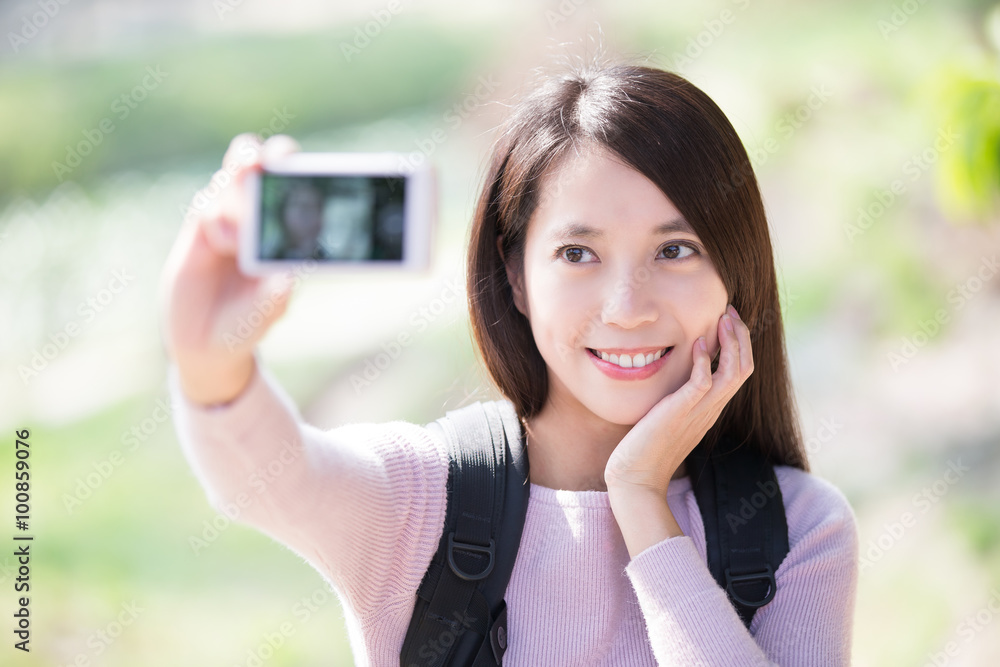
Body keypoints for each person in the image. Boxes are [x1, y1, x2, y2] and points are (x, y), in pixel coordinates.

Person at [160, 60, 859, 665]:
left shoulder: (795, 529)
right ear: (516, 277)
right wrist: (207, 358)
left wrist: (643, 500)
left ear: (735, 271)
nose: (627, 307)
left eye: (674, 250)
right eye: (577, 254)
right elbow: (269, 478)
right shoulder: (424, 499)